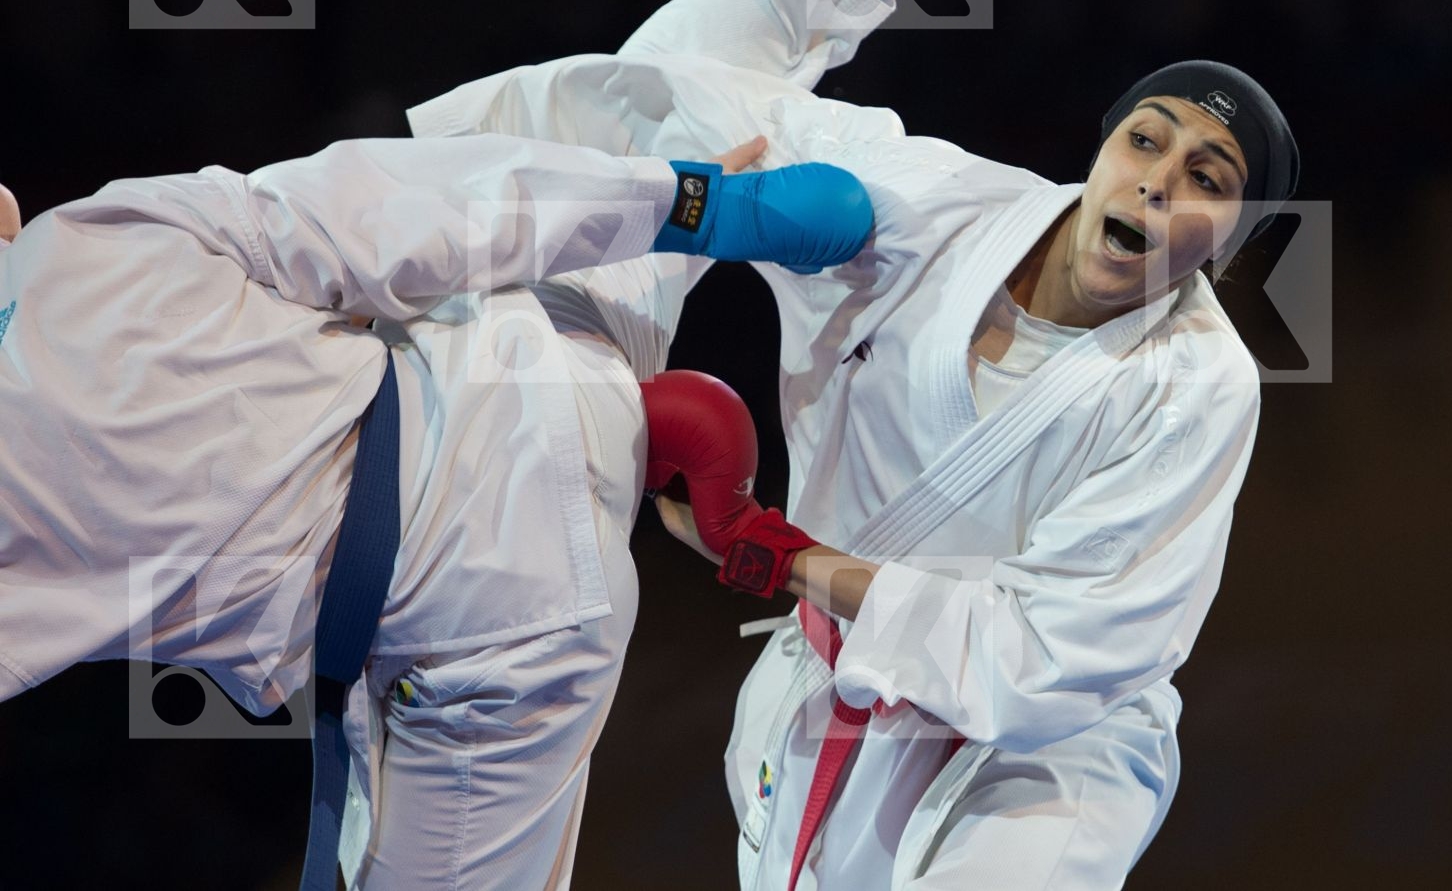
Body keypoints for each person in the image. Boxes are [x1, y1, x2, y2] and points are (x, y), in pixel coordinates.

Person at [406, 0, 1300, 889]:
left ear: (1228, 241)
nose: (1164, 179)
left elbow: (1051, 657)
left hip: (1043, 765)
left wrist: (785, 557)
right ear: (1105, 145)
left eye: (1208, 178)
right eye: (1148, 141)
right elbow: (700, 91)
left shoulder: (1197, 383)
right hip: (826, 699)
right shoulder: (927, 205)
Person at [0, 133, 870, 889]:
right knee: (675, 127)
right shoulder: (88, 233)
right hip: (507, 352)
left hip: (491, 603)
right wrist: (682, 201)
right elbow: (389, 206)